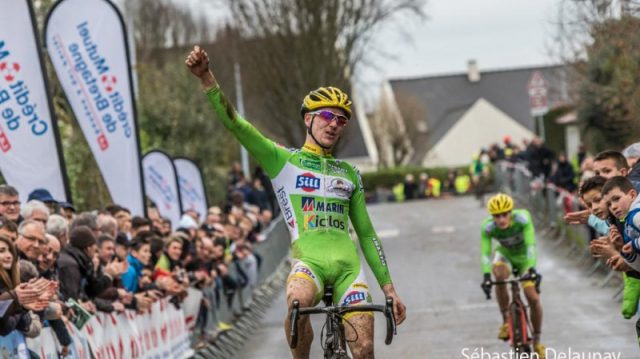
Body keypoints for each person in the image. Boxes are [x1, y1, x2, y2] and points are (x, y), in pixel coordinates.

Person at [186, 45, 406, 359]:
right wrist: (207, 77)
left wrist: (388, 288)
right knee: (297, 302)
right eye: (327, 116)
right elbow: (236, 124)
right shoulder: (283, 161)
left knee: (365, 348)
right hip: (309, 263)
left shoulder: (351, 174)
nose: (334, 124)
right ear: (308, 119)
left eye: (342, 121)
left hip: (348, 269)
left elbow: (368, 234)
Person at [480, 194, 545, 357]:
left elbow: (531, 245)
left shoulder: (522, 218)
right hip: (506, 256)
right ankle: (506, 322)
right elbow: (486, 253)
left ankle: (537, 340)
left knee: (533, 298)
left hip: (524, 259)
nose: (501, 219)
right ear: (491, 216)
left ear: (511, 212)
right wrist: (487, 275)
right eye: (496, 216)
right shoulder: (487, 227)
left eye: (505, 214)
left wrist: (531, 268)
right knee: (499, 276)